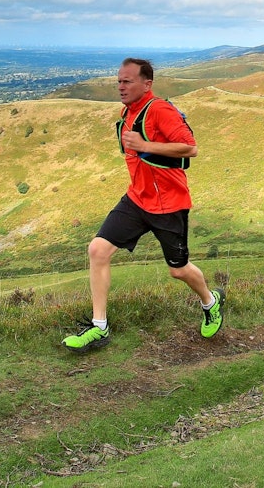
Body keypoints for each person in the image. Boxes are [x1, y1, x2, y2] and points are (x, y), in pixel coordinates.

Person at [63, 58, 224, 352]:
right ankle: (100, 327)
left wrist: (145, 145)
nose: (121, 87)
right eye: (119, 81)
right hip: (137, 199)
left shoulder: (160, 110)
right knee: (97, 250)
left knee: (178, 270)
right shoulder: (127, 112)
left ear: (146, 84)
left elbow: (191, 147)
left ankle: (210, 302)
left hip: (169, 204)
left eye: (127, 81)